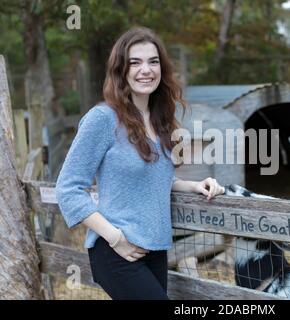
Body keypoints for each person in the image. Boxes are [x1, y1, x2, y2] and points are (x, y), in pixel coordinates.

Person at [55, 27, 225, 300]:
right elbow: (68, 189)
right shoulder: (103, 119)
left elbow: (151, 180)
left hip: (155, 249)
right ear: (121, 70)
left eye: (153, 61)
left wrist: (194, 185)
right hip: (116, 252)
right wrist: (115, 238)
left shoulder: (161, 121)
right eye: (135, 62)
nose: (145, 69)